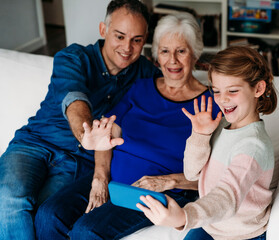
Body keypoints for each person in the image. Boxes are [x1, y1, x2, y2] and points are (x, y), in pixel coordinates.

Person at [35, 12, 221, 240]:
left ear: (195, 54)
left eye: (181, 51)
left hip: (157, 192)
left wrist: (169, 180)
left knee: (87, 230)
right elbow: (108, 132)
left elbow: (219, 173)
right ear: (156, 56)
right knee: (48, 215)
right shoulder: (140, 87)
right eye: (165, 51)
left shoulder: (211, 104)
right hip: (114, 180)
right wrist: (100, 178)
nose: (172, 60)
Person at [0, 1, 161, 239]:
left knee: (43, 213)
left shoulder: (145, 73)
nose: (127, 47)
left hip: (77, 163)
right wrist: (86, 133)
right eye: (119, 36)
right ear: (103, 30)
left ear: (145, 39)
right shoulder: (73, 57)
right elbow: (74, 99)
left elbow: (175, 81)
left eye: (137, 40)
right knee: (9, 197)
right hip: (35, 145)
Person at [138, 46, 278, 240]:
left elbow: (227, 197)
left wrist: (184, 216)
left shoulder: (253, 146)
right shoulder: (221, 125)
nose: (223, 99)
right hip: (212, 224)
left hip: (242, 235)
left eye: (233, 90)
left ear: (258, 89)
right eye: (217, 91)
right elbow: (192, 172)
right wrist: (200, 135)